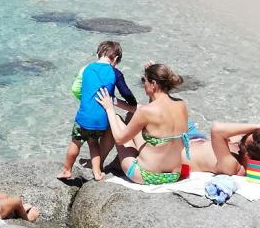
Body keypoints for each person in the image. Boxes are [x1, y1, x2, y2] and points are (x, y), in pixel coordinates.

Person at [94, 63, 189, 185]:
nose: (143, 84)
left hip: (146, 175)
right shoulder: (181, 105)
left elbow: (119, 139)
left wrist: (109, 109)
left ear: (153, 84)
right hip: (174, 175)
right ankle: (112, 163)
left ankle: (98, 164)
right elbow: (155, 110)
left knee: (115, 119)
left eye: (144, 80)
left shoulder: (146, 112)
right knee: (132, 114)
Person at [59, 41, 129, 182]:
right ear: (115, 59)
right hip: (101, 120)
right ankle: (97, 173)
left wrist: (84, 99)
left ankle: (67, 170)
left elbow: (76, 88)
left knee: (75, 143)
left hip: (84, 118)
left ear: (98, 53)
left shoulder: (87, 68)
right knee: (93, 143)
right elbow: (125, 93)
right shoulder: (114, 72)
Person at [185, 123, 260, 176]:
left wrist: (258, 126)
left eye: (243, 141)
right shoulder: (256, 155)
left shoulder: (232, 166)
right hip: (194, 136)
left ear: (247, 154)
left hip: (177, 146)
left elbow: (217, 129)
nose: (242, 137)